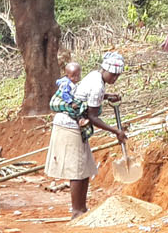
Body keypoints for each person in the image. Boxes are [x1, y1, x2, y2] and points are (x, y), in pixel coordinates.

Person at [44, 52, 126, 220]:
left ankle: (82, 208)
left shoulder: (95, 76)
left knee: (85, 168)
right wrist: (116, 131)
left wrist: (107, 96)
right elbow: (92, 117)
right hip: (70, 126)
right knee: (76, 169)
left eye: (118, 75)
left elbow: (84, 95)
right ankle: (77, 211)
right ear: (105, 70)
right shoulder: (97, 85)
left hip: (74, 125)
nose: (115, 78)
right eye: (113, 74)